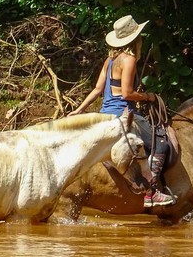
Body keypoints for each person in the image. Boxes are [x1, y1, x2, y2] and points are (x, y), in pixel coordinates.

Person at [68, 15, 175, 207]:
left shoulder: (110, 60)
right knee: (161, 142)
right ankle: (151, 192)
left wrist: (79, 110)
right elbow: (126, 93)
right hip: (122, 114)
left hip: (104, 115)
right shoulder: (129, 60)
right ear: (135, 39)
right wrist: (148, 97)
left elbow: (97, 89)